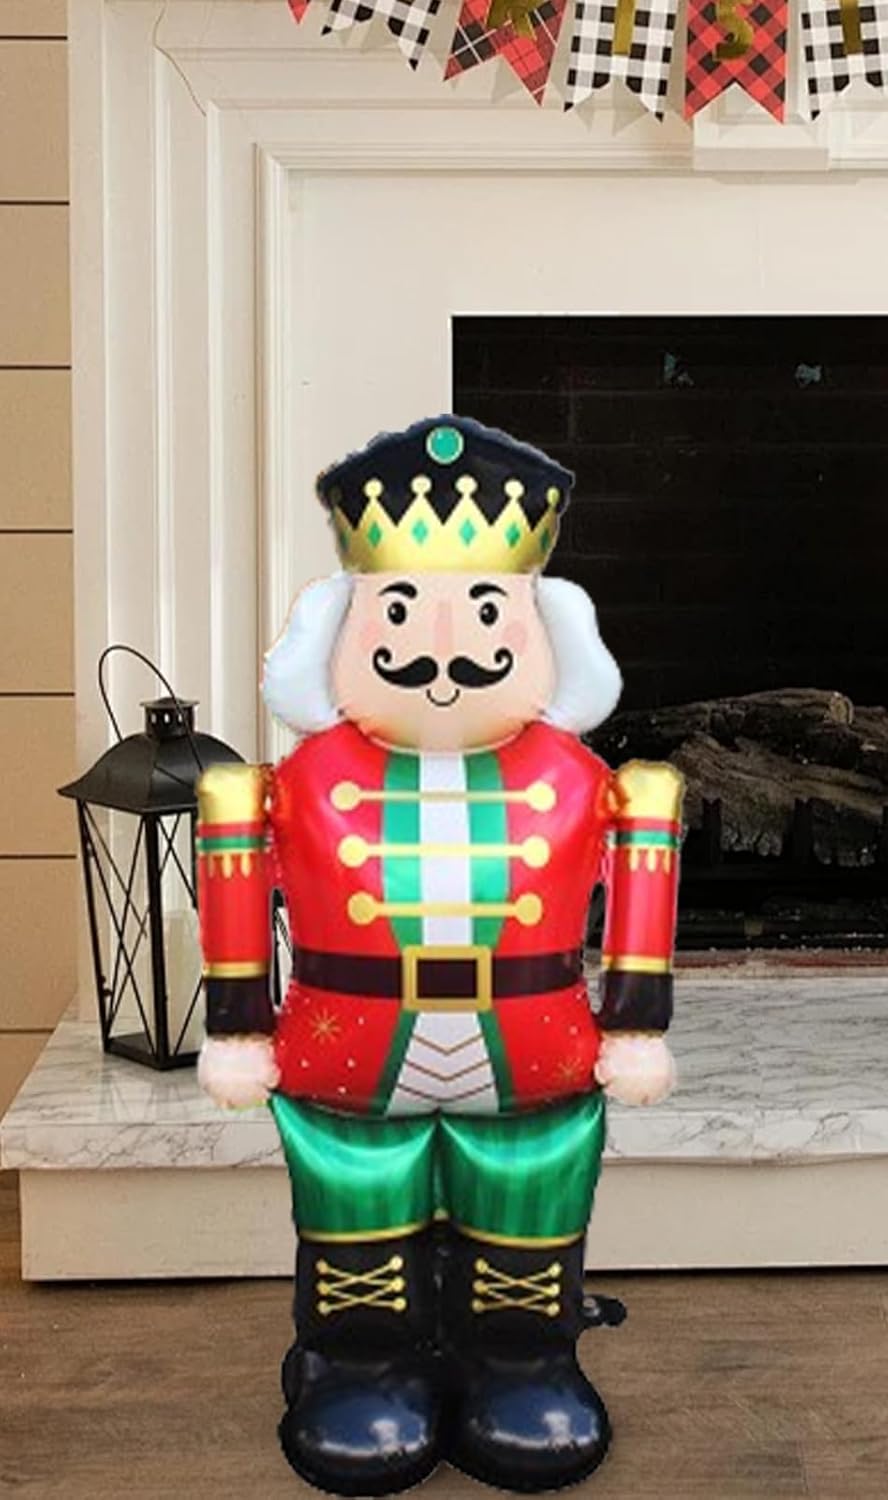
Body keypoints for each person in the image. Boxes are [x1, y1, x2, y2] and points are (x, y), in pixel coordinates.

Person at [194, 415, 684, 1494]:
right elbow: (236, 867)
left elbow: (641, 878)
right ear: (344, 623)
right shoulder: (304, 779)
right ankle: (361, 1364)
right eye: (404, 607)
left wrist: (638, 1019)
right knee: (355, 1203)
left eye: (488, 609)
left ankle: (520, 1359)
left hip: (535, 1045)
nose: (446, 642)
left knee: (530, 1198)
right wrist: (237, 1022)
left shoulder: (580, 780)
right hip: (347, 1049)